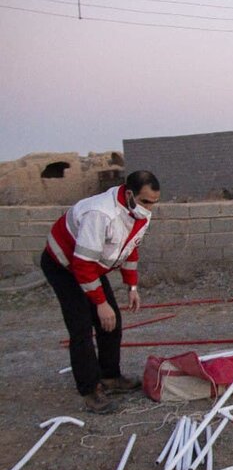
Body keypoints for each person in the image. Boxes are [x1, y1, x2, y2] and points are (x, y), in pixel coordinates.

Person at [41, 170, 160, 414]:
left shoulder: (140, 214)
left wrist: (132, 286)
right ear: (129, 194)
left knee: (111, 321)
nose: (150, 209)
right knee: (81, 326)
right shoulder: (100, 214)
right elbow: (82, 265)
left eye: (154, 203)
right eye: (145, 201)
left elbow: (130, 249)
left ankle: (110, 376)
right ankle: (90, 390)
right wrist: (99, 302)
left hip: (90, 265)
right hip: (64, 265)